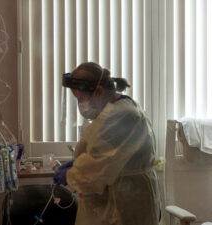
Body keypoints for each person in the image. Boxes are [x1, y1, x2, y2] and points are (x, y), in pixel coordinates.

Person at [54, 62, 160, 225]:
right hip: (118, 196)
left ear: (99, 91)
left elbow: (97, 169)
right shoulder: (116, 109)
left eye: (81, 98)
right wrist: (78, 164)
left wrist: (71, 175)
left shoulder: (120, 115)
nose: (80, 105)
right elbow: (102, 154)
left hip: (125, 202)